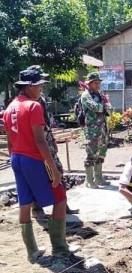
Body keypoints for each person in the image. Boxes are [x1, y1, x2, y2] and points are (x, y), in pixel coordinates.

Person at [3, 69, 74, 262]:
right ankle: (60, 248)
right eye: (39, 85)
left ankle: (32, 251)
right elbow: (40, 141)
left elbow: (9, 141)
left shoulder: (10, 108)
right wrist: (54, 169)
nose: (42, 88)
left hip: (17, 158)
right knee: (59, 197)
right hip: (34, 159)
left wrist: (15, 160)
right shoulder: (33, 107)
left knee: (24, 203)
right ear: (28, 86)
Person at [26, 65, 78, 217]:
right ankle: (37, 208)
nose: (43, 84)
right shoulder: (29, 102)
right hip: (38, 145)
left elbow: (46, 124)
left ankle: (62, 205)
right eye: (40, 82)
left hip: (47, 142)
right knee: (44, 174)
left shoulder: (39, 99)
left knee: (57, 172)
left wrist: (52, 141)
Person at [80, 72, 112, 188]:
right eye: (96, 83)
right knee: (91, 154)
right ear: (89, 83)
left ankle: (98, 178)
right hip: (92, 130)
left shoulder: (99, 95)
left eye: (99, 83)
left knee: (101, 153)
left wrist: (104, 107)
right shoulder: (85, 95)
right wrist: (103, 107)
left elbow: (109, 109)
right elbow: (95, 107)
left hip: (102, 128)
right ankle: (89, 180)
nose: (98, 85)